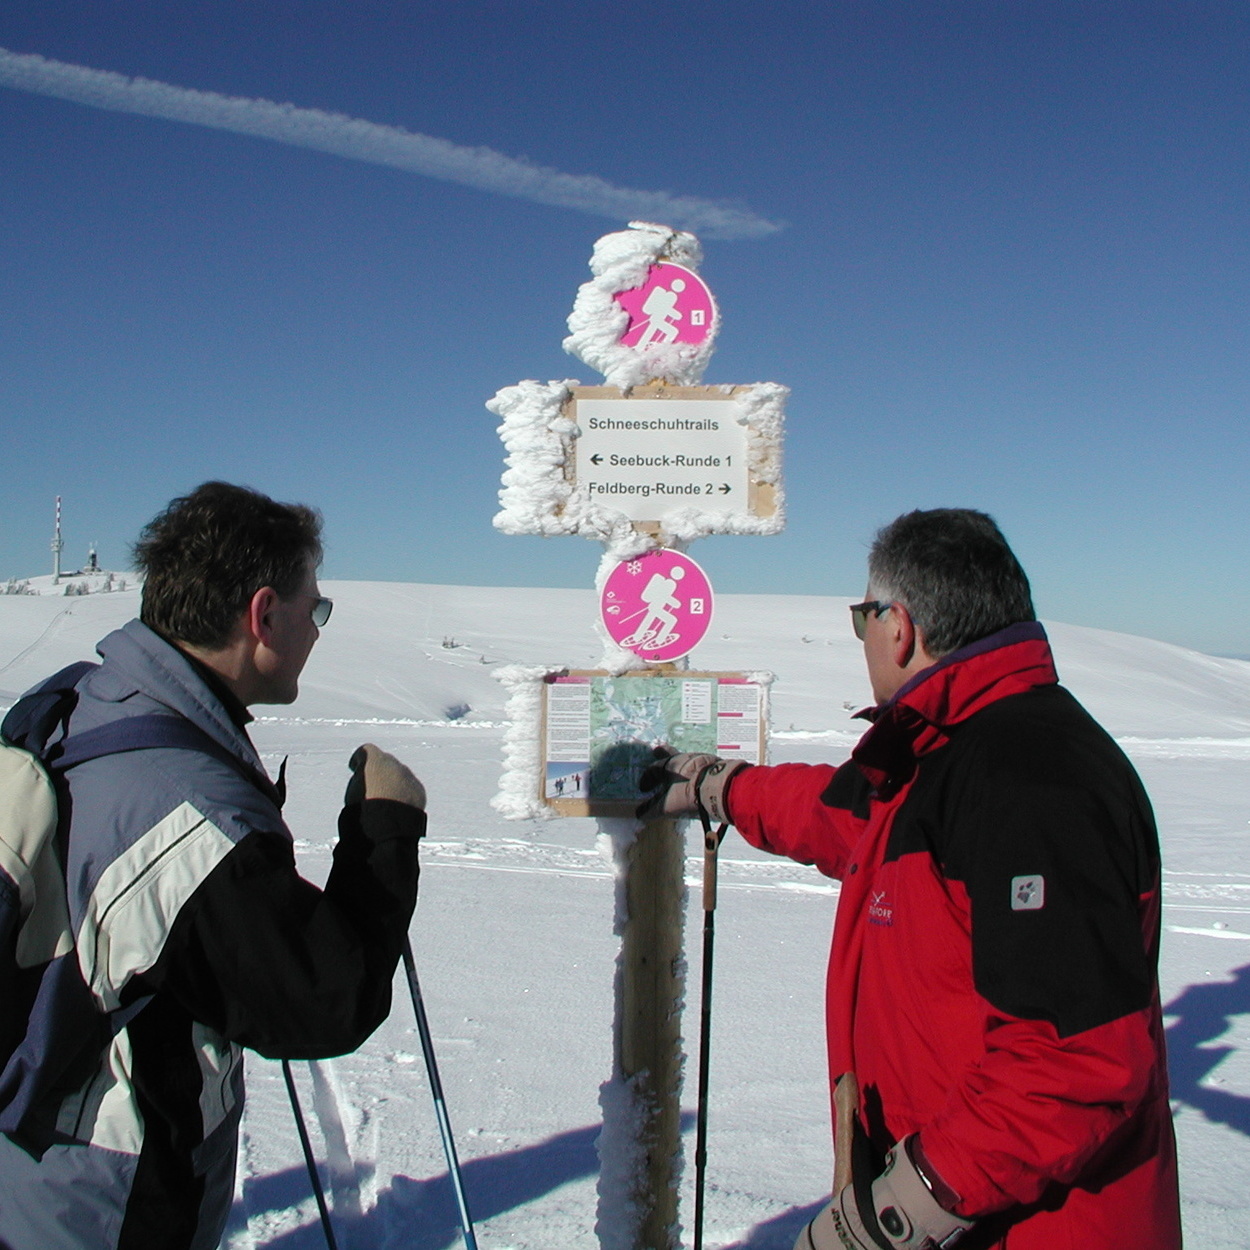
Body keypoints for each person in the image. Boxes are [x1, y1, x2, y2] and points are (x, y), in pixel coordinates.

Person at [641, 508, 1181, 1250]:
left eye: (863, 615)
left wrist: (897, 1213)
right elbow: (837, 815)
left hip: (1032, 1226)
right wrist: (717, 786)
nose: (863, 635)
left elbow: (1075, 1061)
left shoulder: (1032, 778)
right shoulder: (947, 752)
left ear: (900, 626)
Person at [0, 482, 426, 1250]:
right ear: (264, 615)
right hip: (108, 1196)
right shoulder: (184, 815)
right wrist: (386, 829)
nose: (318, 629)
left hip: (32, 1163)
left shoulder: (93, 698)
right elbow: (327, 997)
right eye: (315, 610)